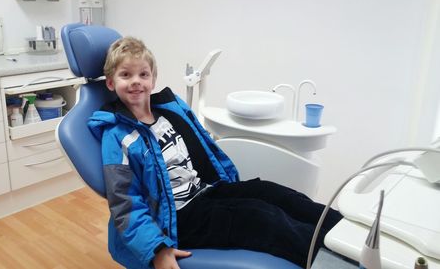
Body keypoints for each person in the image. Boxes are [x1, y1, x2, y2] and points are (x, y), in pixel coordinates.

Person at [88, 37, 343, 269]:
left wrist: (231, 185)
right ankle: (335, 263)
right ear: (111, 83)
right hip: (176, 219)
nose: (136, 81)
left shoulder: (168, 110)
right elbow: (125, 205)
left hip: (205, 191)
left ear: (153, 79)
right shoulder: (118, 136)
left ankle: (348, 233)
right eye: (125, 75)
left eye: (143, 74)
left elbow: (204, 150)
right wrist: (158, 249)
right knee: (264, 219)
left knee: (274, 194)